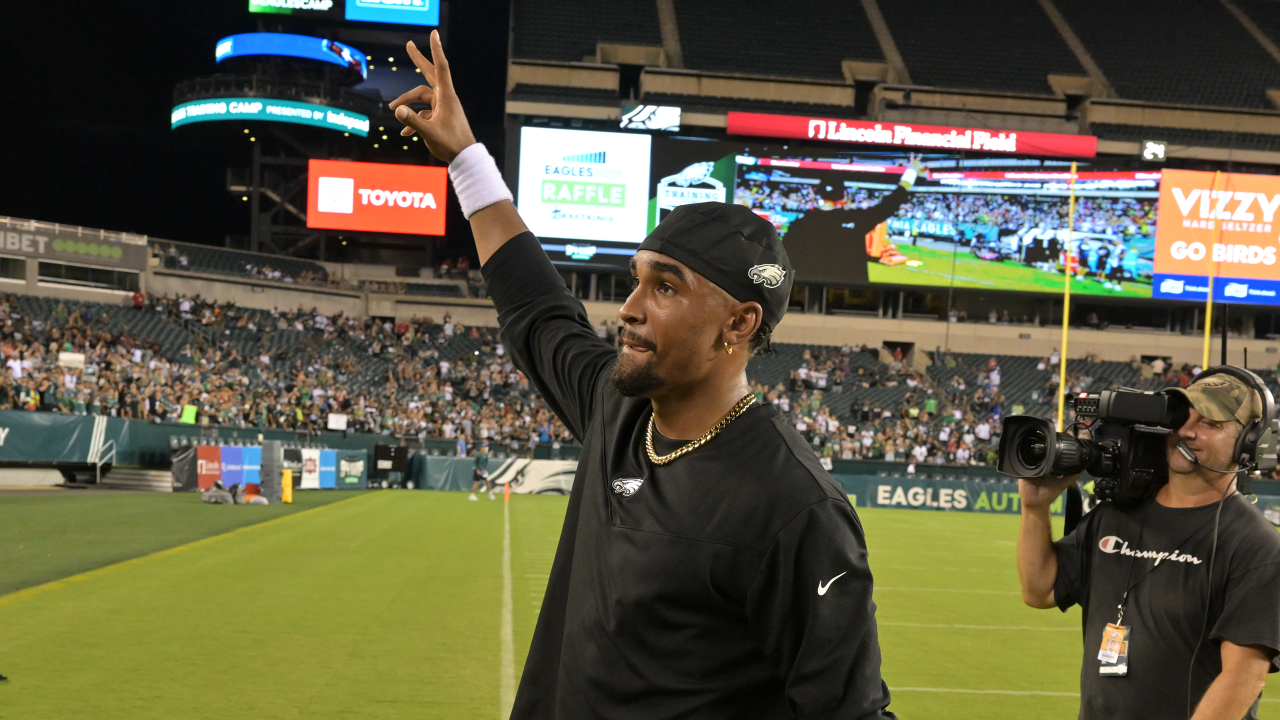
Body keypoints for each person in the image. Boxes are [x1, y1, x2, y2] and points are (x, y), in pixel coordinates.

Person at [391, 30, 894, 720]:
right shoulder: (617, 408)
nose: (627, 309)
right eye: (635, 281)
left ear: (739, 324)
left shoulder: (794, 506)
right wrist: (468, 161)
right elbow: (539, 310)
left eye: (665, 288)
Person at [1016, 372, 1280, 719]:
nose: (1187, 431)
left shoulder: (1255, 545)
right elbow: (1040, 590)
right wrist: (1034, 508)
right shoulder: (1114, 515)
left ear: (1249, 441)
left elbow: (1244, 676)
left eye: (1210, 424)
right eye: (1182, 417)